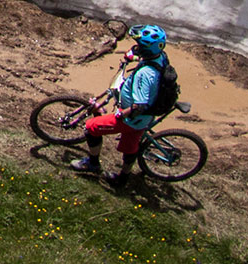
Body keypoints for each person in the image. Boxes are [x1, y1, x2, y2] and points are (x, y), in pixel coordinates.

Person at [73, 24, 177, 187]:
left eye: (140, 45)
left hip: (132, 119)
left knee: (91, 128)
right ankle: (123, 178)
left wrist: (121, 114)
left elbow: (139, 106)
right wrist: (133, 56)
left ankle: (92, 164)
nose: (137, 46)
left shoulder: (144, 75)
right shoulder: (160, 56)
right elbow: (145, 57)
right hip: (144, 119)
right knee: (130, 148)